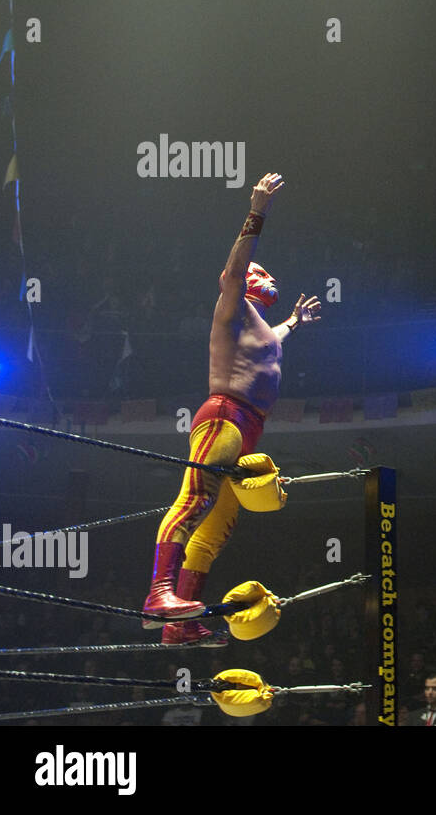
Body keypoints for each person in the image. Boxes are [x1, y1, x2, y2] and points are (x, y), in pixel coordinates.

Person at [141, 173, 323, 645]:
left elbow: (271, 343)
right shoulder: (232, 305)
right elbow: (232, 273)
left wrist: (294, 323)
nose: (270, 277)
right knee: (195, 500)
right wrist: (257, 209)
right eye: (262, 273)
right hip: (224, 414)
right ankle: (158, 594)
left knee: (216, 527)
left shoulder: (259, 326)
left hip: (247, 427)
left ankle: (180, 624)